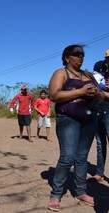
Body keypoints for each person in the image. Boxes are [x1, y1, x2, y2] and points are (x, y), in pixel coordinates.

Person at [47, 44, 106, 211]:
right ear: (67, 57)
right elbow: (54, 95)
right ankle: (56, 193)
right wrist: (80, 92)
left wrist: (97, 93)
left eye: (82, 55)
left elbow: (101, 94)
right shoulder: (61, 73)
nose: (81, 57)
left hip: (89, 119)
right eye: (77, 54)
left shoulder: (87, 75)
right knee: (68, 157)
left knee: (81, 158)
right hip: (68, 120)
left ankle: (81, 191)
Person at [91, 49, 109, 182]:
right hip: (99, 108)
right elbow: (94, 86)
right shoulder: (99, 66)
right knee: (100, 143)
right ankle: (99, 172)